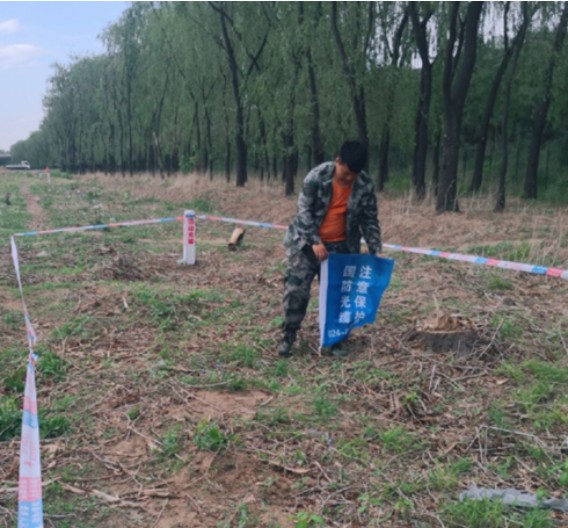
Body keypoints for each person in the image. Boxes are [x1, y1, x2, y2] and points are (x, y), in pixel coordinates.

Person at [277, 140, 382, 358]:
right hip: (306, 245)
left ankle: (336, 339)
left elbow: (369, 219)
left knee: (339, 295)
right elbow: (303, 212)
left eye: (354, 175)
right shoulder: (317, 177)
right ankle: (288, 336)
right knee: (296, 291)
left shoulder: (364, 185)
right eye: (346, 173)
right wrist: (314, 241)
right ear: (337, 161)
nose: (349, 179)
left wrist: (375, 250)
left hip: (341, 248)